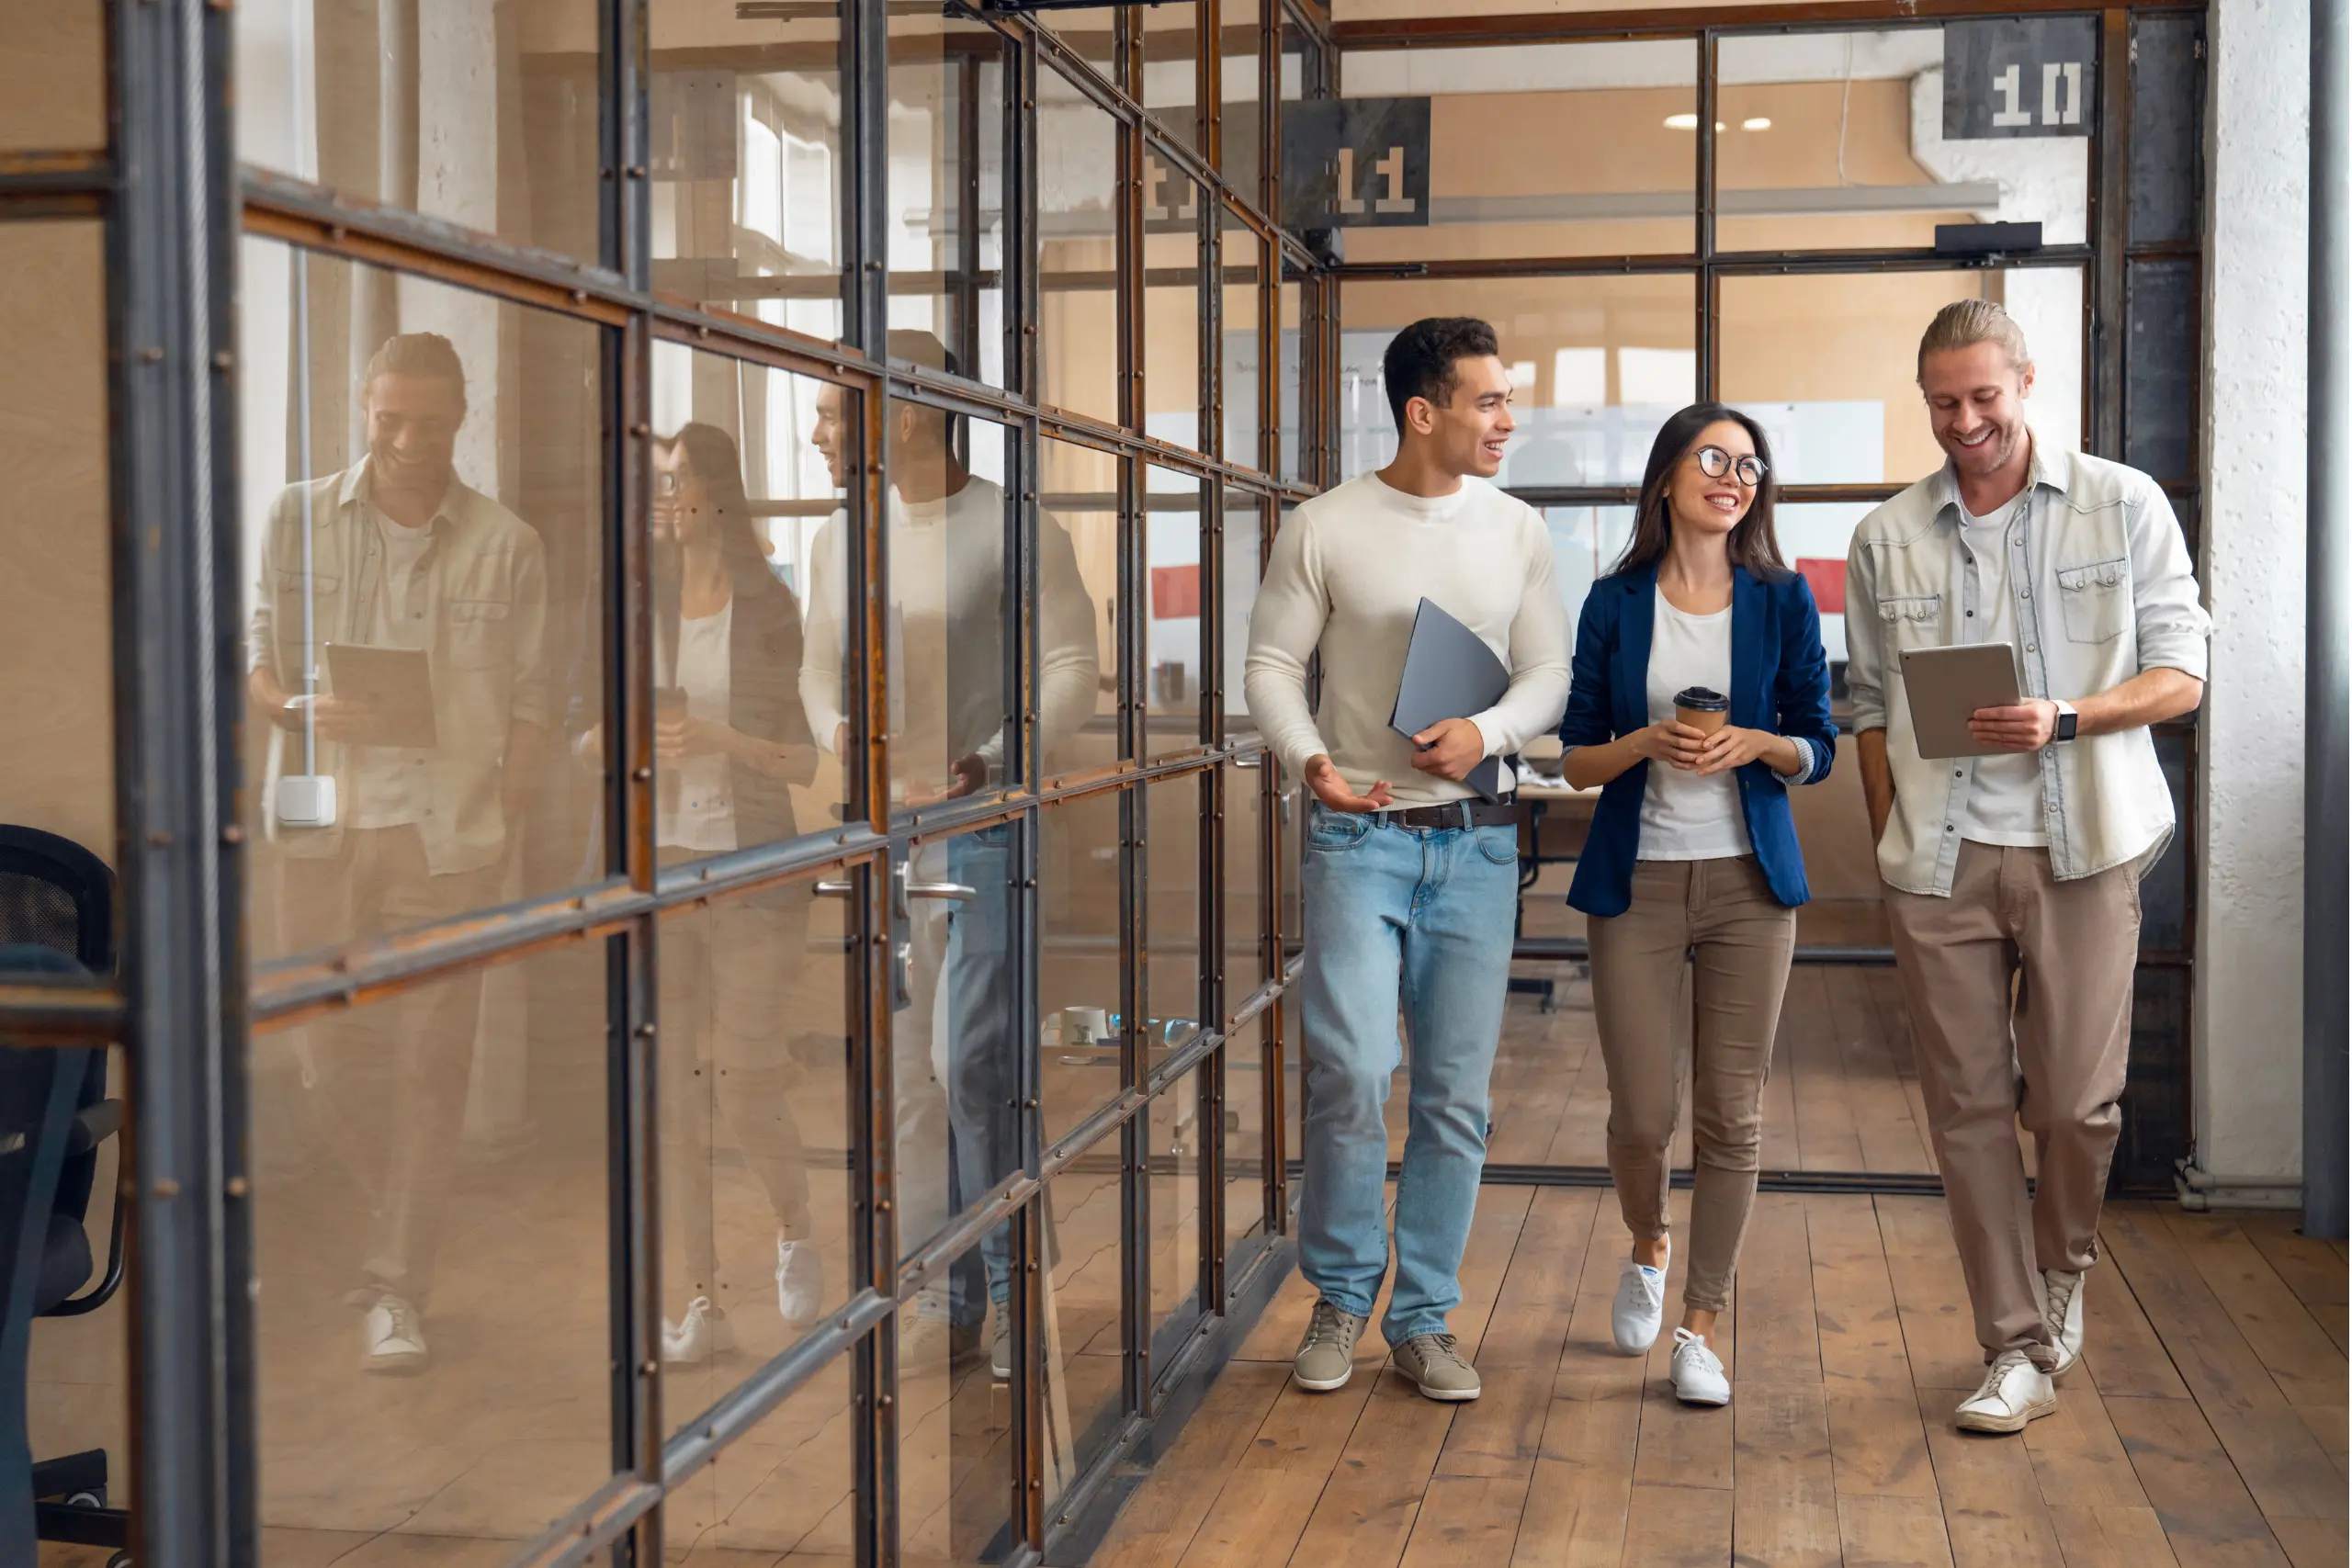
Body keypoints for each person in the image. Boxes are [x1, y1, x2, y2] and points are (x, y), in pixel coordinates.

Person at [1845, 300, 2210, 1434]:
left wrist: (2066, 716)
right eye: (1944, 403)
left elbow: (2182, 674)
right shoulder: (1886, 535)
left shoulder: (2122, 502)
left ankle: (2063, 1272)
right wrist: (1891, 839)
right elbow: (1866, 706)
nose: (1965, 422)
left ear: (2025, 382)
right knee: (1964, 1111)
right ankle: (2012, 1343)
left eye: (1983, 398)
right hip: (1941, 858)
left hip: (2084, 848)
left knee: (2071, 1106)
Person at [1244, 316, 1569, 1403]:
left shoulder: (1516, 528)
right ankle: (1340, 1297)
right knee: (1350, 1074)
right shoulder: (1325, 526)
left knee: (1453, 1096)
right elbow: (1271, 666)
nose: (1506, 421)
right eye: (1488, 401)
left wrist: (1492, 733)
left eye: (1506, 398)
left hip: (1473, 845)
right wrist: (1308, 760)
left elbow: (1546, 673)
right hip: (1356, 836)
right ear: (1422, 412)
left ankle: (1423, 1319)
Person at [246, 332, 550, 1373]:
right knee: (318, 1057)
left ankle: (395, 1286)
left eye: (428, 420)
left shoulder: (508, 543)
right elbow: (259, 661)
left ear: (461, 417)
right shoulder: (292, 516)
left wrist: (498, 839)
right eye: (390, 420)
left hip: (448, 842)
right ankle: (388, 1238)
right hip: (320, 832)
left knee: (431, 1066)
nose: (407, 441)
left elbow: (530, 707)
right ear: (364, 411)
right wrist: (297, 705)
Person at [801, 332, 1099, 1379]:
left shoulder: (1013, 529)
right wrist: (835, 727)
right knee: (908, 1078)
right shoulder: (841, 536)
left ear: (912, 412)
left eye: (837, 411)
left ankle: (1013, 1290)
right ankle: (946, 1289)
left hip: (983, 825)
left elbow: (1070, 664)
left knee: (968, 1063)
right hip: (881, 830)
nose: (818, 430)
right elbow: (814, 672)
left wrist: (993, 762)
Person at [1556, 405, 1837, 1407]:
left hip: (1748, 888)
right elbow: (1575, 759)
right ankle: (1648, 1242)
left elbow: (1819, 742)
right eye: (1712, 458)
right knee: (1641, 1116)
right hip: (1637, 883)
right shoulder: (1612, 601)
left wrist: (1753, 743)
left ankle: (1701, 1325)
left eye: (1749, 464)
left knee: (1732, 1116)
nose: (1733, 476)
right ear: (1667, 476)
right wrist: (1645, 743)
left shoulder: (1782, 598)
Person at [571, 423, 829, 1364]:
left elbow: (804, 757)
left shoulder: (772, 606)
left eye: (679, 480)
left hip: (754, 865)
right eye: (656, 483)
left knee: (745, 1075)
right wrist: (629, 738)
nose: (665, 500)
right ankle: (696, 1296)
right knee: (672, 1087)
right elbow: (579, 733)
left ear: (718, 491)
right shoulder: (626, 594)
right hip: (659, 867)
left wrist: (721, 741)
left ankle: (795, 1224)